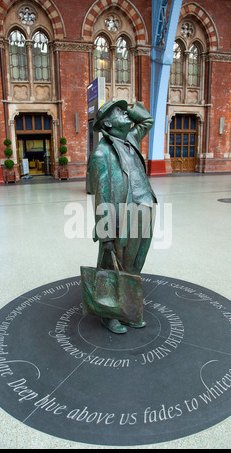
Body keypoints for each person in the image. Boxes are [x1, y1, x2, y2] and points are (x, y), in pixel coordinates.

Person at [87, 100, 157, 334]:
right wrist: (105, 234)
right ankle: (109, 315)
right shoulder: (101, 153)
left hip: (144, 206)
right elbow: (102, 196)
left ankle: (128, 310)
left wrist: (130, 107)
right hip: (121, 217)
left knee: (134, 265)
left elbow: (147, 120)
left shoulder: (131, 139)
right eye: (118, 111)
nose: (124, 113)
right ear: (107, 123)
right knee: (115, 266)